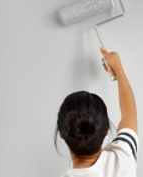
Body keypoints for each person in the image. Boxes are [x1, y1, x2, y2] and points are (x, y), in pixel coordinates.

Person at [55, 47, 138, 177]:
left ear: (61, 134)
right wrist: (118, 69)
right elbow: (129, 114)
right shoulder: (122, 158)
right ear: (106, 131)